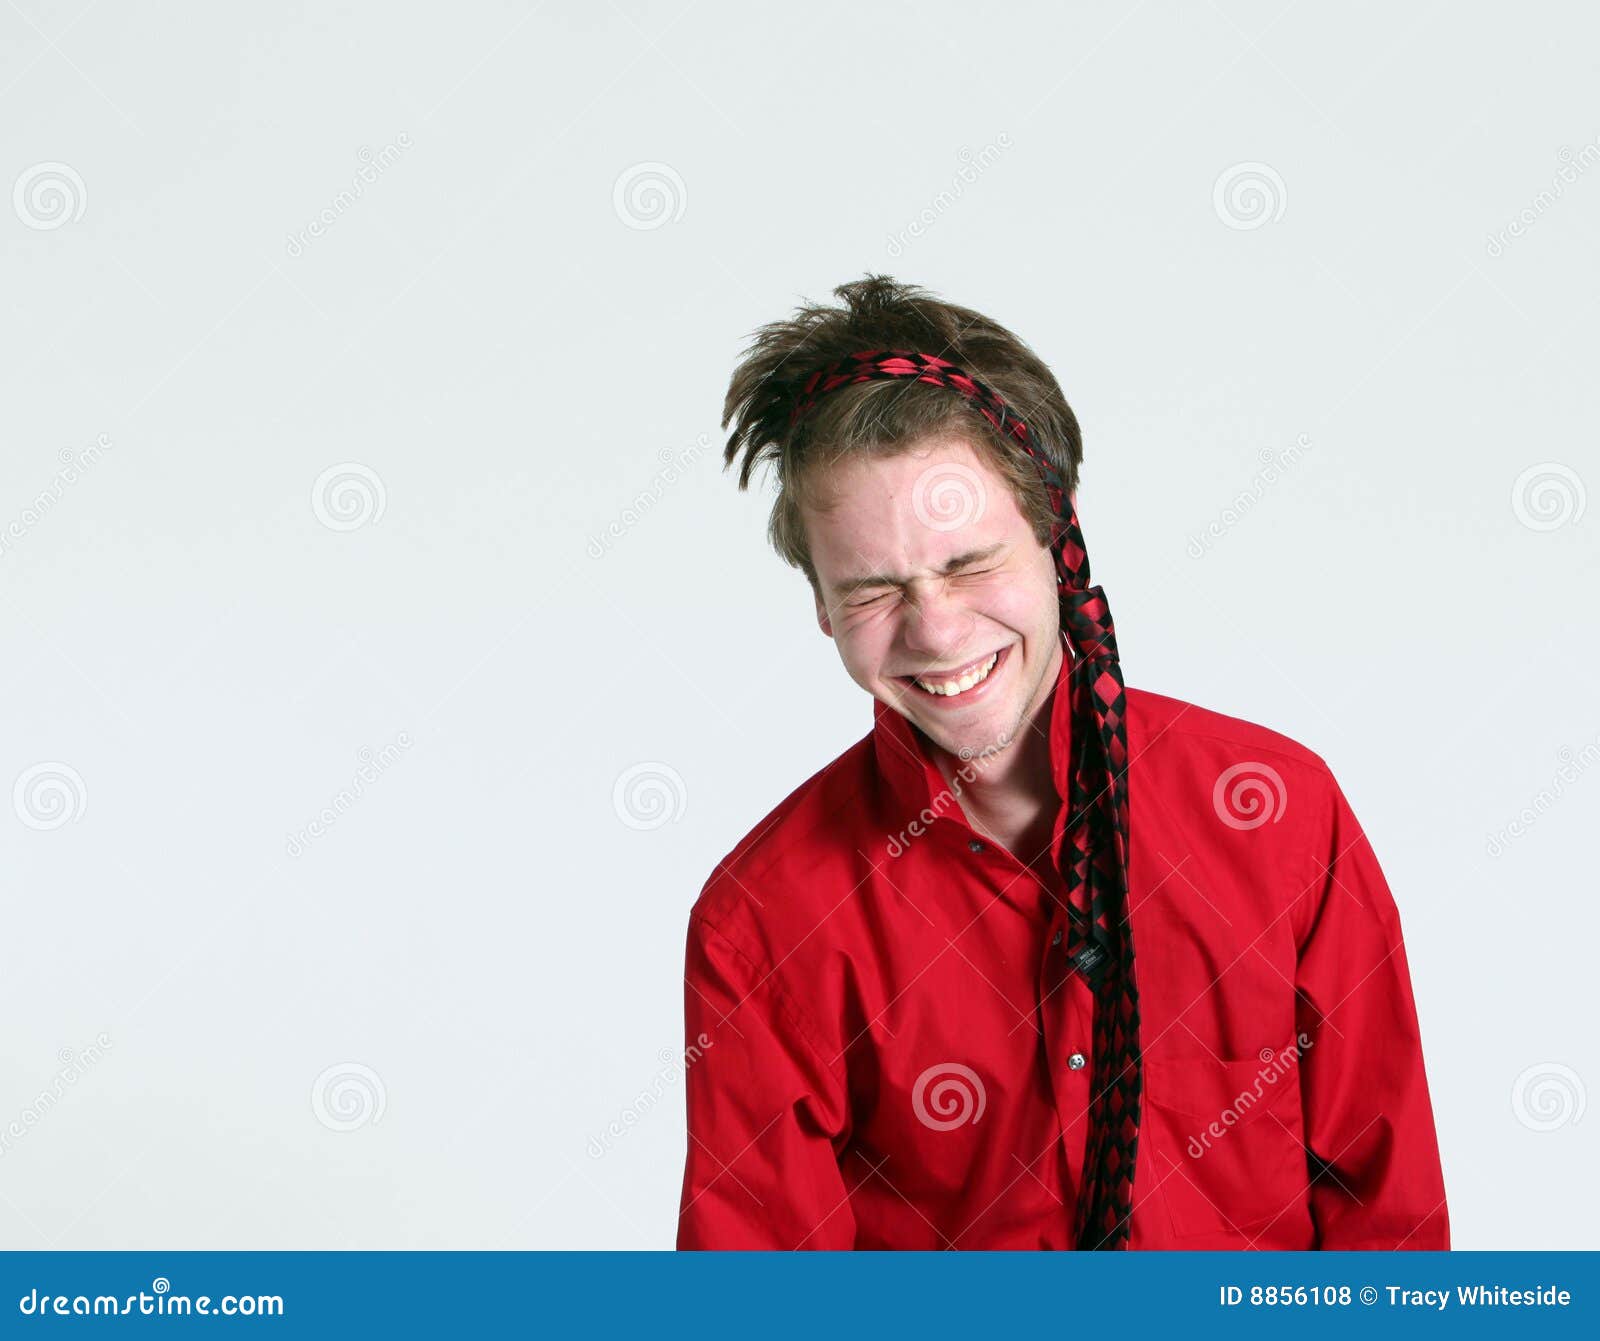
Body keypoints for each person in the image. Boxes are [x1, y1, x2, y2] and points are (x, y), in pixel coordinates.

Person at [675, 275, 1448, 1250]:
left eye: (967, 564)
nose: (937, 628)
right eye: (872, 590)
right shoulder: (765, 919)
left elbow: (1387, 1221)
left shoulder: (1278, 814)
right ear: (821, 606)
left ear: (1056, 530)